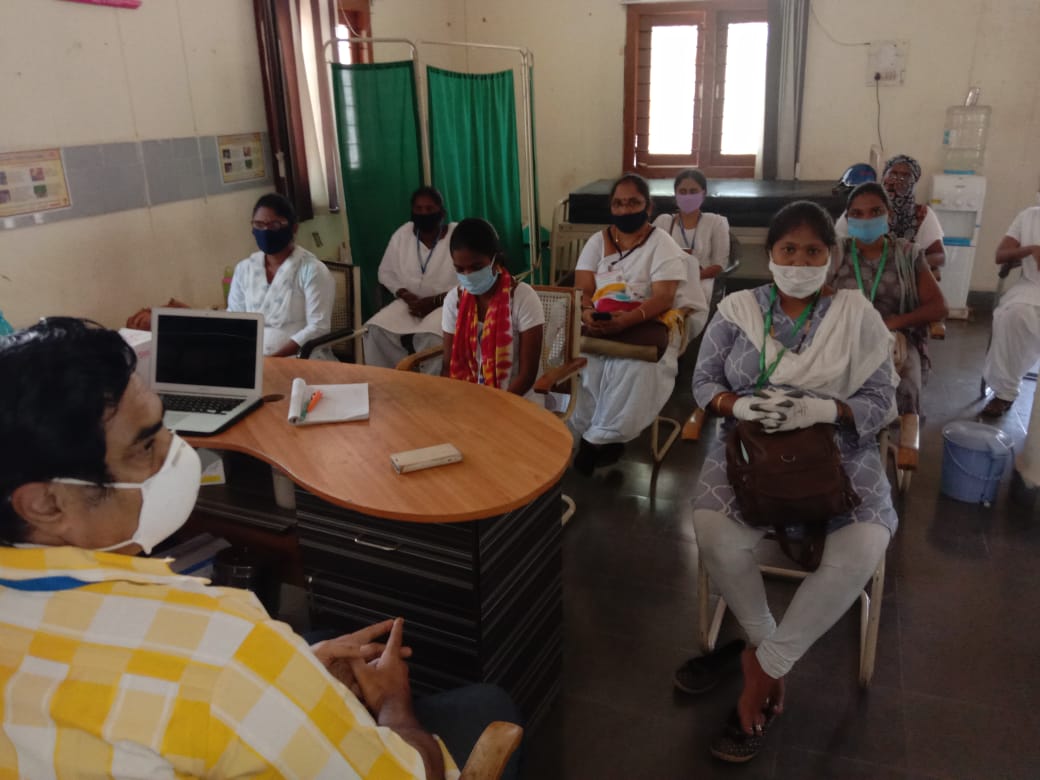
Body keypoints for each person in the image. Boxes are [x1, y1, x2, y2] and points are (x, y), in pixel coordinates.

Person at [0, 318, 520, 779]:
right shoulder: (224, 649)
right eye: (145, 445)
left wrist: (294, 673)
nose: (179, 450)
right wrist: (392, 705)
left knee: (319, 638)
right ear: (46, 504)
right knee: (488, 702)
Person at [687, 201, 896, 763]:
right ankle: (764, 644)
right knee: (713, 530)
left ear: (832, 257)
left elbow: (883, 400)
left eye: (812, 251)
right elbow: (703, 382)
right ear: (770, 253)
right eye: (789, 249)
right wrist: (738, 405)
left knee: (864, 544)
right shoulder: (737, 309)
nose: (799, 262)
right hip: (751, 448)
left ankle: (762, 668)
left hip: (838, 449)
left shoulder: (857, 315)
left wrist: (825, 411)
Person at [569, 174, 700, 474]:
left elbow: (664, 297)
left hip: (648, 324)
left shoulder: (662, 243)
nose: (625, 209)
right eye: (618, 203)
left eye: (633, 203)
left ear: (648, 207)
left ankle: (597, 441)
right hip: (600, 323)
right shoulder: (597, 241)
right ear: (611, 208)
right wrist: (587, 312)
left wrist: (627, 320)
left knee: (634, 369)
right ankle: (600, 434)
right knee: (586, 363)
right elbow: (582, 288)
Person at [125, 193, 336, 359]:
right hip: (252, 359)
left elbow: (318, 327)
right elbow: (235, 319)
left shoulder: (312, 270)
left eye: (274, 225)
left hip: (302, 358)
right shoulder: (245, 269)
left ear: (294, 228)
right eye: (259, 225)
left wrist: (274, 358)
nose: (266, 231)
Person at [828, 182, 948, 415]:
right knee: (824, 382)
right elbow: (813, 298)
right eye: (857, 214)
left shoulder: (908, 254)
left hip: (894, 339)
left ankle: (903, 434)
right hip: (842, 336)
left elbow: (939, 307)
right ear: (848, 220)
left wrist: (892, 323)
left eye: (875, 212)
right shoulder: (836, 253)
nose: (866, 219)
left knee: (903, 384)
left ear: (889, 215)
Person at [441, 218, 545, 401]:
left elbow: (527, 376)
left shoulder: (523, 298)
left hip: (517, 401)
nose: (468, 275)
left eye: (476, 267)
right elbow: (448, 365)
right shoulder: (454, 299)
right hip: (469, 400)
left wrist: (491, 406)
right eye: (460, 269)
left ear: (496, 260)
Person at [364, 187, 459, 372]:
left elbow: (467, 282)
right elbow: (386, 272)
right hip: (410, 302)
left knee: (431, 337)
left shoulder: (456, 235)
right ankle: (396, 378)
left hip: (446, 304)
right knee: (375, 330)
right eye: (418, 209)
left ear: (442, 212)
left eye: (429, 209)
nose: (424, 213)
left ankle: (431, 384)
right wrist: (406, 295)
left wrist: (434, 302)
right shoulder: (403, 234)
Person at [835, 154, 946, 277]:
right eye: (893, 174)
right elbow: (835, 248)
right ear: (884, 178)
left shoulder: (922, 214)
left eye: (906, 176)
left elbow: (940, 257)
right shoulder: (859, 210)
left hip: (904, 276)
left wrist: (906, 265)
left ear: (914, 183)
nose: (898, 180)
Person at [980, 204, 1040, 417]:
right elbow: (1001, 255)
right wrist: (1031, 249)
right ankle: (1005, 392)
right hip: (1033, 286)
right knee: (1012, 316)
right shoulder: (1029, 216)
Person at [653, 168, 731, 309]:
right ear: (675, 194)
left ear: (703, 194)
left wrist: (691, 277)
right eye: (682, 192)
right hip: (667, 281)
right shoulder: (663, 222)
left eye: (693, 191)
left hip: (702, 282)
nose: (688, 196)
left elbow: (719, 265)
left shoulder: (715, 222)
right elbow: (650, 256)